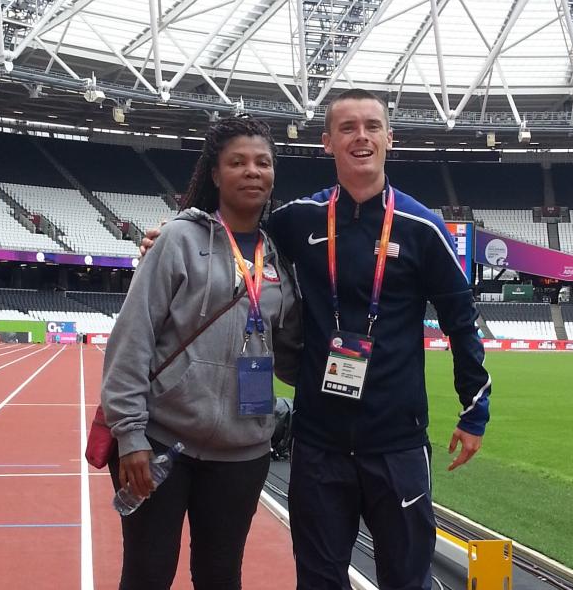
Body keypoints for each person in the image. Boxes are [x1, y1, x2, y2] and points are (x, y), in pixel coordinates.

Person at [142, 89, 492, 589]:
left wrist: (474, 409)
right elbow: (227, 234)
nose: (361, 137)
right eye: (348, 128)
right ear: (327, 142)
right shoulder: (296, 220)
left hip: (397, 443)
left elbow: (462, 319)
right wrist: (170, 233)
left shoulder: (422, 226)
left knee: (406, 578)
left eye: (372, 126)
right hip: (318, 443)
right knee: (319, 580)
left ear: (390, 138)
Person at [101, 116, 302, 590]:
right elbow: (132, 338)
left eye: (262, 163)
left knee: (219, 575)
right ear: (215, 173)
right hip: (161, 441)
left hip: (242, 451)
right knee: (148, 574)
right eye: (237, 162)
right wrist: (130, 437)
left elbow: (293, 352)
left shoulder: (279, 259)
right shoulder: (178, 239)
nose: (252, 171)